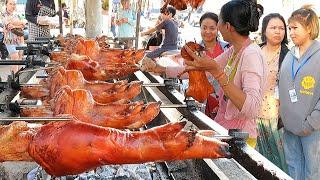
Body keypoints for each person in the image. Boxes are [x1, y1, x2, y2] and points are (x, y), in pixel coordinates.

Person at [182, 0, 267, 147]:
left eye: (219, 20)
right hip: (224, 129)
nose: (218, 26)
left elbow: (252, 108)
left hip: (240, 138)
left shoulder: (251, 54)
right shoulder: (235, 50)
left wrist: (219, 74)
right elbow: (204, 68)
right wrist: (161, 69)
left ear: (227, 26)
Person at [141, 12, 229, 118]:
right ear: (200, 28)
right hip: (200, 103)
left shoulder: (227, 49)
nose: (208, 31)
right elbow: (187, 71)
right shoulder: (193, 49)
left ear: (218, 28)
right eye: (204, 28)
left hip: (223, 104)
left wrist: (160, 68)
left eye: (212, 28)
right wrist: (161, 67)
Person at [279, 5, 320, 180]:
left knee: (313, 172)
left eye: (295, 28)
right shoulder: (290, 55)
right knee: (293, 169)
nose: (291, 32)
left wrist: (311, 123)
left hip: (312, 129)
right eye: (290, 28)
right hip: (289, 127)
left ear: (309, 28)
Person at [256, 13, 288, 172]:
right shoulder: (255, 51)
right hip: (255, 116)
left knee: (282, 161)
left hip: (279, 119)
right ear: (264, 30)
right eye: (273, 27)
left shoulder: (289, 55)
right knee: (259, 161)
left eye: (281, 28)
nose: (278, 31)